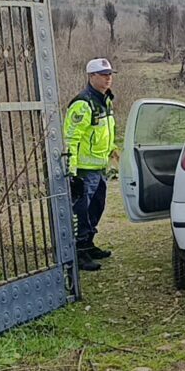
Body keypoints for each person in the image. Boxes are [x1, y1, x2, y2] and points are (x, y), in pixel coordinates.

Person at [63, 58, 119, 271]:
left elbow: (105, 131)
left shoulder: (105, 101)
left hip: (99, 167)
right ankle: (79, 251)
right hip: (84, 170)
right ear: (91, 77)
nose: (108, 78)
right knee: (82, 212)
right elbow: (71, 140)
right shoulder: (82, 104)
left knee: (97, 207)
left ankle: (88, 244)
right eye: (103, 75)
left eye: (109, 75)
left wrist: (112, 148)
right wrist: (72, 173)